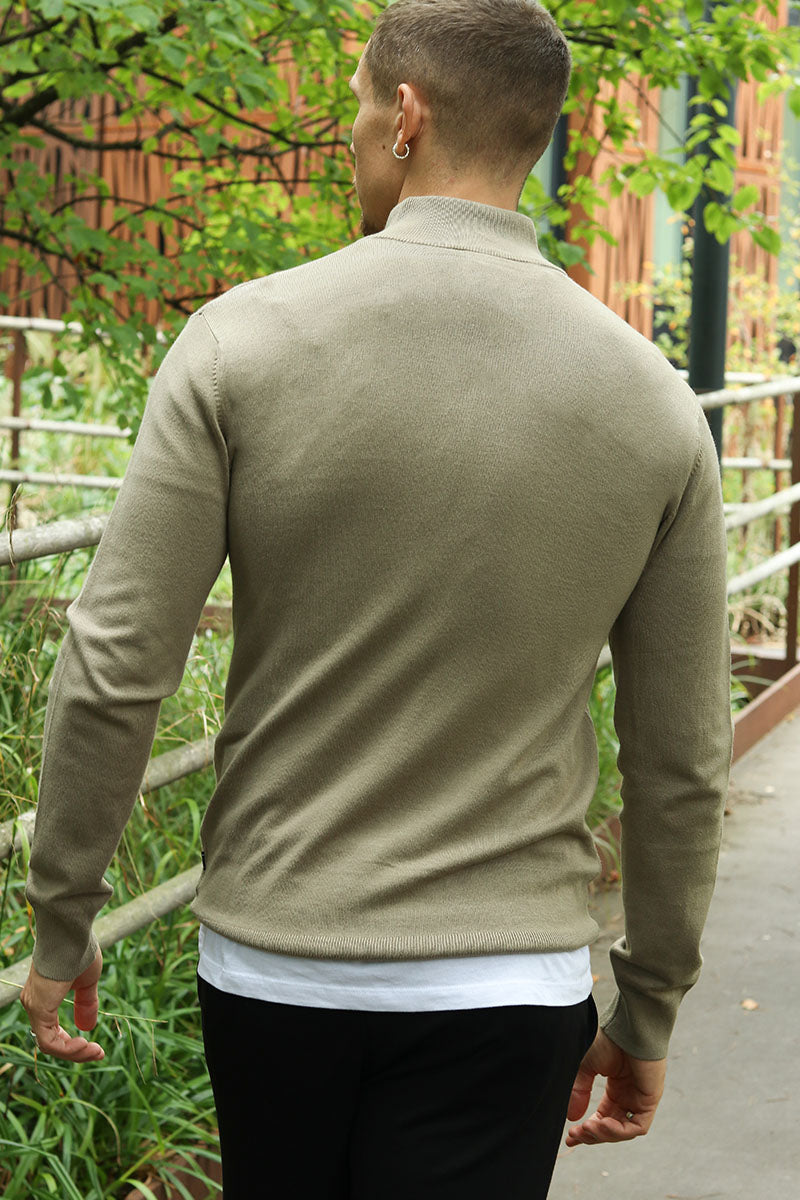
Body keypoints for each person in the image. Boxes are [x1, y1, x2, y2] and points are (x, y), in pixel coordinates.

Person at [20, 1, 733, 1197]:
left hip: (278, 966)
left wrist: (64, 916)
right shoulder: (651, 401)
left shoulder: (239, 343)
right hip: (508, 985)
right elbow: (681, 756)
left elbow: (114, 660)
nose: (349, 137)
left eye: (355, 109)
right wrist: (647, 1000)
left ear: (405, 114)